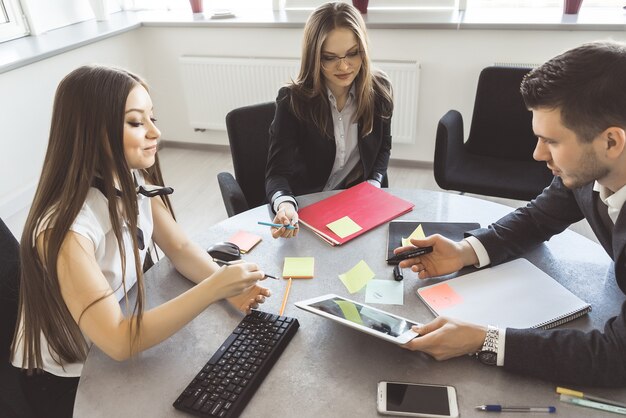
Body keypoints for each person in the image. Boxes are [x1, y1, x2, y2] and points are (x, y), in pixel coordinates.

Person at [10, 65, 271, 417]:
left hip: (107, 341)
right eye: (136, 122)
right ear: (91, 131)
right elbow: (118, 340)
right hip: (69, 380)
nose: (155, 132)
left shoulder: (131, 177)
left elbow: (178, 248)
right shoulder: (64, 229)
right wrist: (213, 288)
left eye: (152, 117)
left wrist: (227, 287)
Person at [395, 40, 626, 388]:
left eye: (552, 141)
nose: (536, 154)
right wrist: (463, 251)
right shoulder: (585, 173)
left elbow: (614, 357)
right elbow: (537, 218)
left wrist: (483, 339)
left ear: (611, 142)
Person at [265, 2, 393, 239]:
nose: (344, 66)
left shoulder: (380, 90)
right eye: (330, 58)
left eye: (353, 53)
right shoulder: (292, 100)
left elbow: (383, 148)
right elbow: (276, 173)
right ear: (315, 56)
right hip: (308, 210)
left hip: (356, 205)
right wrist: (285, 205)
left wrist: (373, 186)